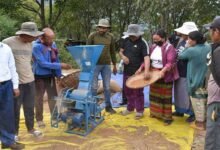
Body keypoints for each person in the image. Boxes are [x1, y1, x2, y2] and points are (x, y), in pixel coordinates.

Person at [2, 22, 44, 140]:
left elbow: (28, 61)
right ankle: (14, 133)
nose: (35, 37)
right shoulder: (7, 43)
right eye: (33, 35)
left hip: (30, 81)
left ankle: (31, 128)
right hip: (16, 84)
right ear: (25, 34)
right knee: (14, 109)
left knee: (29, 107)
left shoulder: (31, 44)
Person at [137, 29, 178, 125]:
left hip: (165, 75)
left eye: (157, 39)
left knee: (165, 97)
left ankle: (167, 118)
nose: (155, 41)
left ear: (163, 38)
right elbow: (147, 59)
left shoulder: (169, 48)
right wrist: (141, 68)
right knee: (154, 95)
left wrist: (163, 71)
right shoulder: (153, 47)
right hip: (154, 75)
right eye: (154, 39)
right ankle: (156, 113)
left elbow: (170, 62)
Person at [32, 28, 71, 128]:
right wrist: (60, 65)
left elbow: (56, 59)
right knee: (39, 98)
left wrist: (58, 74)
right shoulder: (36, 47)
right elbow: (43, 63)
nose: (51, 41)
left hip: (50, 76)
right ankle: (39, 119)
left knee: (53, 97)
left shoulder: (52, 45)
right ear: (42, 37)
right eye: (49, 39)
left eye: (53, 38)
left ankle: (55, 116)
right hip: (39, 76)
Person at [178, 31, 211, 130]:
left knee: (198, 102)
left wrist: (187, 46)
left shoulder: (191, 51)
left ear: (194, 41)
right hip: (206, 79)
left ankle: (200, 124)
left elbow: (180, 56)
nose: (187, 40)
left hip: (195, 80)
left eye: (189, 39)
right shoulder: (208, 47)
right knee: (205, 101)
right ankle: (205, 121)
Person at [119, 24, 150, 119]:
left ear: (138, 34)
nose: (131, 37)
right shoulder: (125, 40)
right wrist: (123, 57)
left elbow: (146, 58)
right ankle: (130, 107)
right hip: (127, 70)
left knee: (138, 91)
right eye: (130, 35)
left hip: (138, 72)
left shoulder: (143, 43)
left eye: (133, 35)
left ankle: (139, 110)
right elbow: (120, 51)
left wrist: (146, 71)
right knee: (127, 90)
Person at [87, 19, 117, 114]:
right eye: (101, 27)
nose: (102, 29)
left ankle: (108, 106)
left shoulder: (110, 37)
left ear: (107, 29)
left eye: (105, 28)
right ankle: (93, 107)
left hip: (106, 64)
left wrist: (114, 65)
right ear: (98, 27)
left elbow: (112, 51)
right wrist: (88, 64)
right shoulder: (92, 36)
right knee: (94, 87)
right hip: (95, 64)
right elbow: (88, 50)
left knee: (107, 86)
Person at [0, 42, 25, 149]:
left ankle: (7, 141)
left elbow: (12, 67)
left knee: (7, 114)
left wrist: (15, 86)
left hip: (6, 85)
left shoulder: (6, 48)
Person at [173, 22, 198, 122]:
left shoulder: (193, 43)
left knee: (187, 93)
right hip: (179, 70)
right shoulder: (181, 40)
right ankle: (179, 110)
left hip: (188, 70)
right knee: (178, 91)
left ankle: (192, 113)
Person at [205, 17, 220, 150]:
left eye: (211, 30)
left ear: (217, 32)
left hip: (217, 102)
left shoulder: (218, 52)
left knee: (214, 135)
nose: (210, 34)